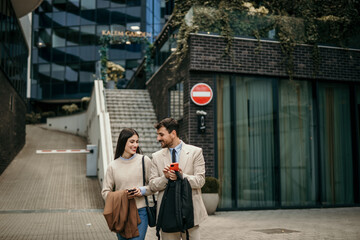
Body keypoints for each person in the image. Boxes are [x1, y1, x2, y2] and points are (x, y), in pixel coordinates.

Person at [149, 118, 208, 240]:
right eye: (157, 135)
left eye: (161, 134)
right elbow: (152, 185)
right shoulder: (156, 157)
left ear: (173, 133)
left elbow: (200, 181)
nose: (158, 139)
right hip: (167, 214)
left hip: (190, 213)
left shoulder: (195, 152)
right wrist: (165, 178)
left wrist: (181, 176)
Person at [102, 128, 153, 240]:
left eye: (137, 141)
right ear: (123, 142)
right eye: (132, 141)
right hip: (121, 213)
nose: (135, 145)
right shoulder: (113, 166)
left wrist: (142, 190)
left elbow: (154, 185)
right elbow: (105, 192)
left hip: (140, 212)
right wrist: (123, 195)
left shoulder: (145, 161)